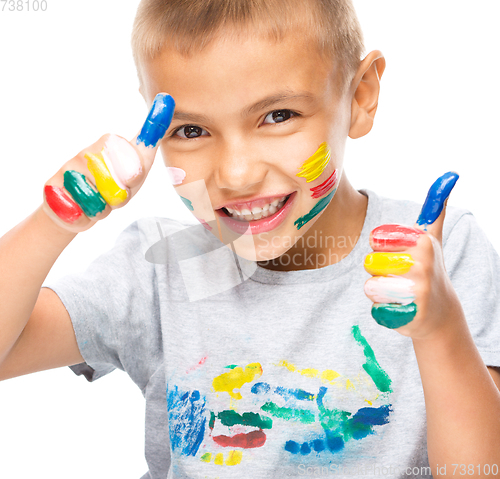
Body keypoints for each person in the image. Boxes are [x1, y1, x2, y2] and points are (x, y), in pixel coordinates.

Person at [1, 0, 499, 478]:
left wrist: (440, 329)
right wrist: (54, 221)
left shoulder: (437, 255)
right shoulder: (158, 267)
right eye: (191, 130)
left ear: (360, 97)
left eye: (278, 116)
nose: (236, 175)